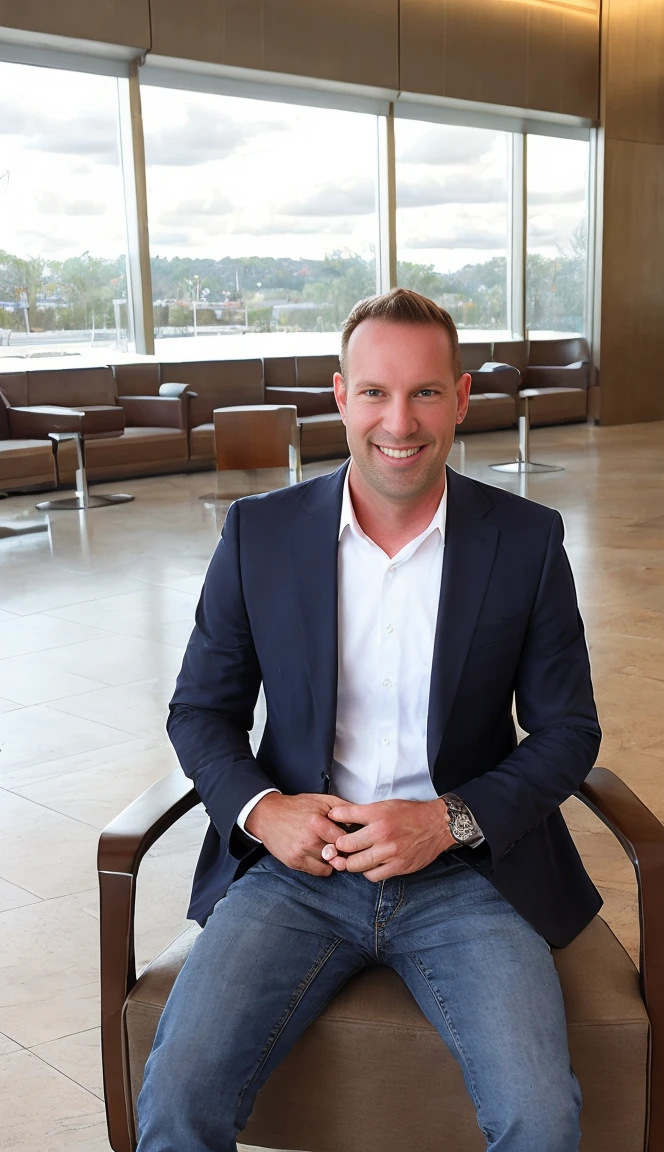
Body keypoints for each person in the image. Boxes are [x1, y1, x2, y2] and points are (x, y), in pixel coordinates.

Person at [136, 288, 602, 1152]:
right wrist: (263, 811)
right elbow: (201, 710)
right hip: (294, 875)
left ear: (461, 399)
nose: (401, 420)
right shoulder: (258, 535)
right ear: (340, 396)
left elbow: (570, 731)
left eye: (425, 392)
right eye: (377, 392)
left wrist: (447, 821)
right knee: (174, 1101)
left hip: (469, 875)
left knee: (540, 1120)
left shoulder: (528, 541)